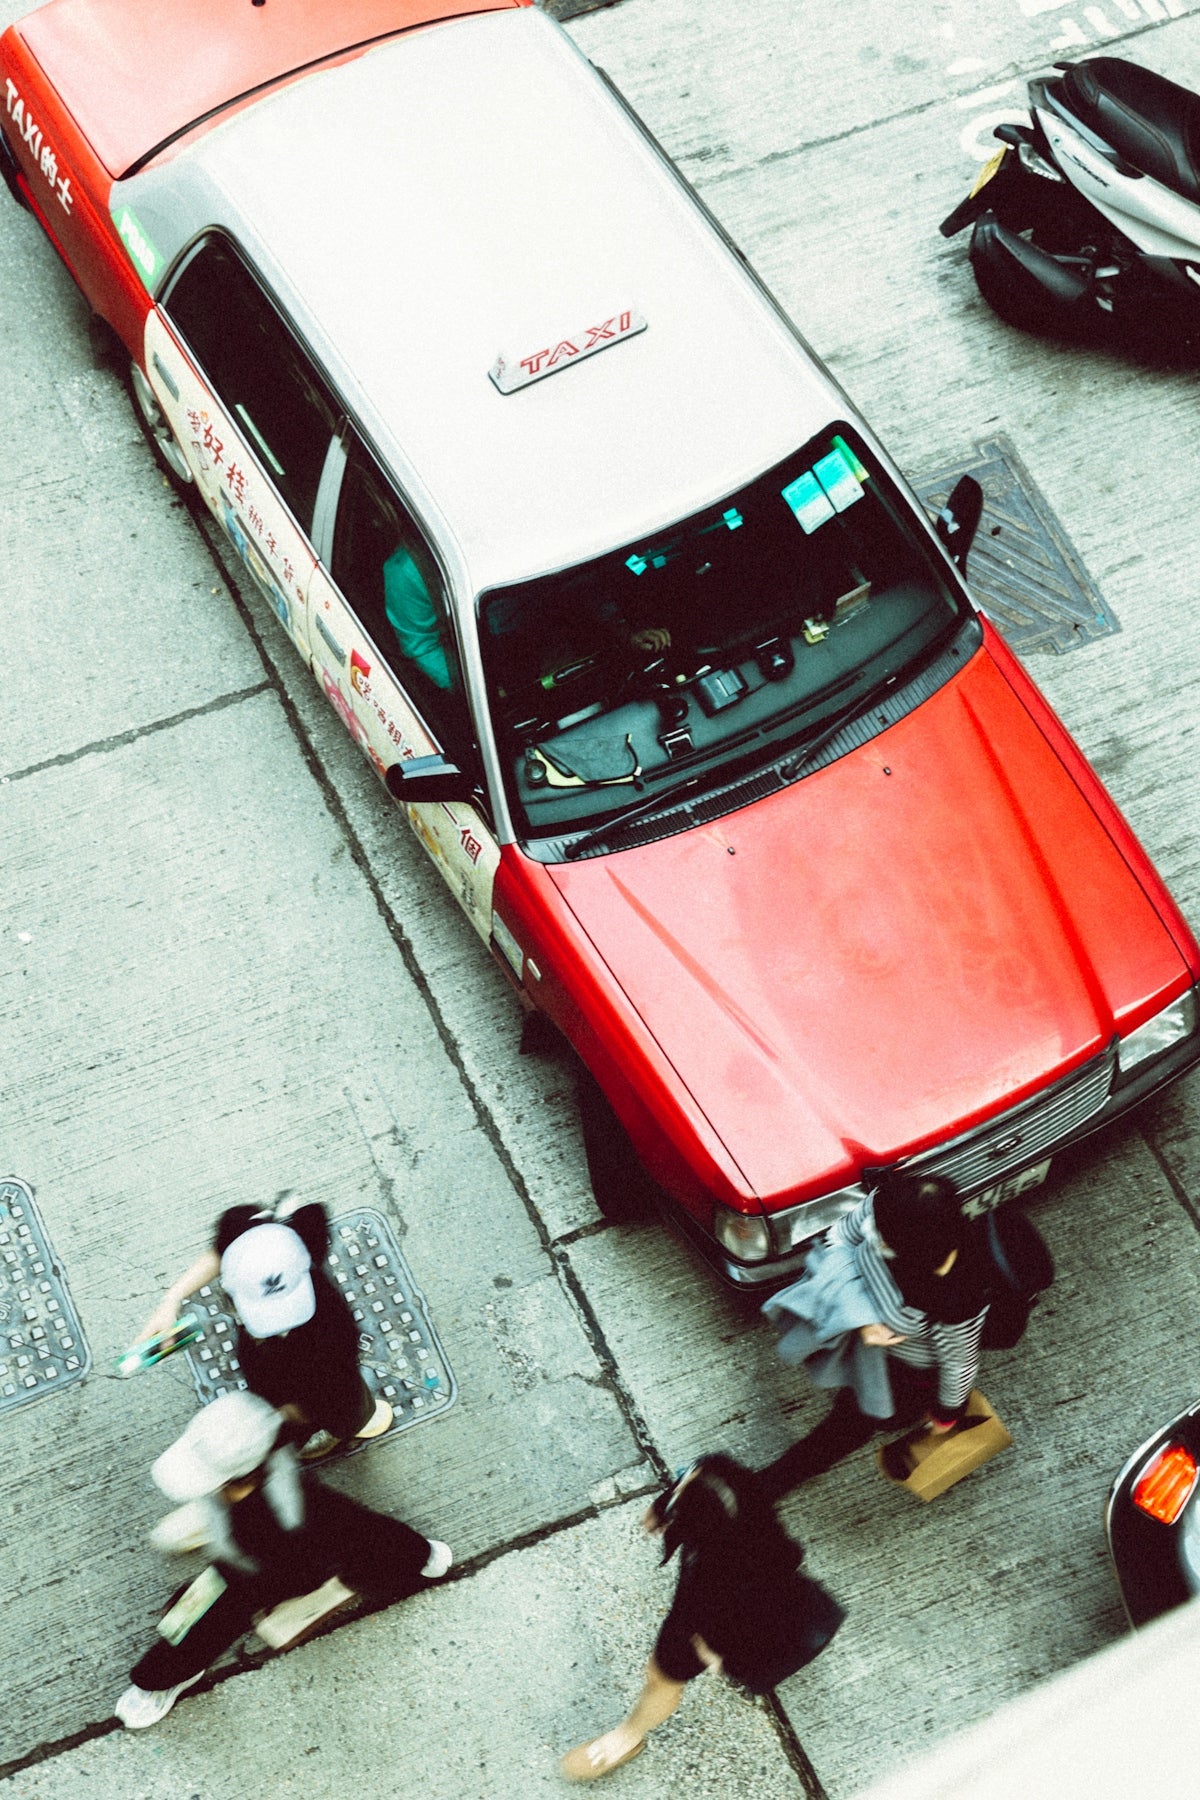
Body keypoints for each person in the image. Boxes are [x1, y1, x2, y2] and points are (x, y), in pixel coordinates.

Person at [115, 1392, 452, 1729]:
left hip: (258, 1565)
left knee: (213, 1620)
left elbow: (280, 1568)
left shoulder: (268, 1525)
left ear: (240, 1481)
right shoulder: (271, 1449)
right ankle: (418, 1554)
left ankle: (160, 1680)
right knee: (355, 1526)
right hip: (280, 1522)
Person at [560, 1454, 842, 1782]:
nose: (685, 1484)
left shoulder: (732, 1579)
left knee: (662, 1674)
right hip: (716, 1589)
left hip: (710, 1620)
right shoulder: (726, 1487)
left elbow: (741, 1617)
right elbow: (704, 1472)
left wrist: (726, 1660)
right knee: (667, 1665)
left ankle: (628, 1735)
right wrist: (668, 1502)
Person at [758, 1174, 991, 1499]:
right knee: (853, 1410)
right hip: (868, 1344)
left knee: (851, 1424)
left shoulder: (958, 1296)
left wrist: (946, 1414)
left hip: (904, 1375)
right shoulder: (889, 1206)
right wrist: (862, 1318)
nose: (872, 1240)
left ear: (917, 1254)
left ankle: (768, 1485)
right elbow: (839, 1237)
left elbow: (959, 1362)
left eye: (884, 1242)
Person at [138, 1198, 390, 1461]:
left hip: (324, 1383)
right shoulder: (273, 1238)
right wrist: (172, 1300)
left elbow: (332, 1382)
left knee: (343, 1410)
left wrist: (293, 1412)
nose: (281, 1320)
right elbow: (221, 1251)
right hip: (275, 1373)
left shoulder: (334, 1330)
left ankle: (349, 1427)